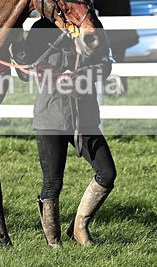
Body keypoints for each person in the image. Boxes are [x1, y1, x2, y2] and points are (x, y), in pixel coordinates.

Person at [15, 18, 117, 247]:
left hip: (85, 117)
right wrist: (17, 42)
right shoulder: (42, 28)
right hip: (50, 117)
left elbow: (105, 64)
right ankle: (54, 244)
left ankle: (79, 228)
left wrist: (78, 77)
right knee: (52, 183)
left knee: (107, 173)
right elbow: (24, 70)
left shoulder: (90, 25)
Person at [92, 0, 138, 94]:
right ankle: (122, 88)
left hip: (110, 35)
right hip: (124, 34)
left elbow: (93, 10)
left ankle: (110, 90)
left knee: (105, 63)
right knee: (120, 60)